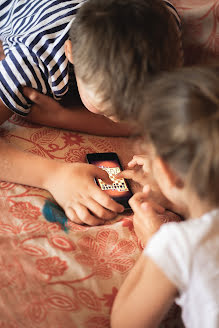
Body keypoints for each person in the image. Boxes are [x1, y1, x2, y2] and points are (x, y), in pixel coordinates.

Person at [0, 0, 182, 225]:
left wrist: (62, 117)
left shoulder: (164, 26)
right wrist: (53, 176)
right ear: (71, 53)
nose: (122, 122)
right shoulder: (32, 62)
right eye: (106, 110)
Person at [110, 66, 219, 328]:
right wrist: (178, 195)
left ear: (168, 173)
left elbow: (124, 323)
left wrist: (155, 245)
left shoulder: (178, 243)